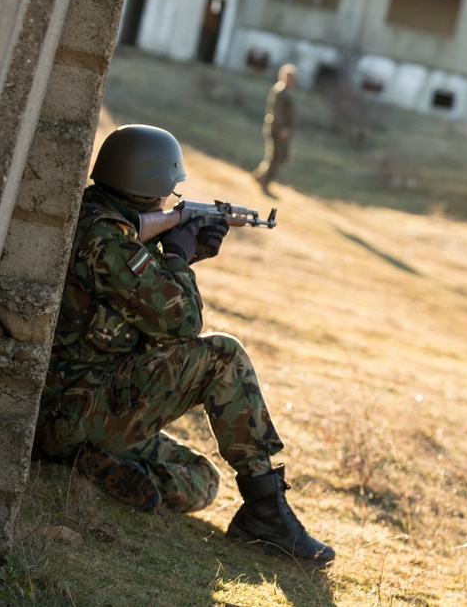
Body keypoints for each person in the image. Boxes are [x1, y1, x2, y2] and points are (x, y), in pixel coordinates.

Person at [34, 124, 334, 565]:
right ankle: (267, 517)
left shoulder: (98, 218)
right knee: (223, 356)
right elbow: (183, 323)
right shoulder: (107, 240)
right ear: (150, 184)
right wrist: (176, 256)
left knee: (201, 480)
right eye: (167, 192)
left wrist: (181, 254)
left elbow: (142, 310)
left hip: (78, 412)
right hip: (76, 409)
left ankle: (94, 466)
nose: (168, 200)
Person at [252, 63, 298, 193]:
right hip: (278, 129)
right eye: (290, 77)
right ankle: (265, 181)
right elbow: (277, 112)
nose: (292, 80)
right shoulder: (280, 91)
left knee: (283, 156)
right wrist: (283, 128)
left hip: (285, 130)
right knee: (276, 156)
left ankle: (261, 175)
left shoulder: (289, 91)